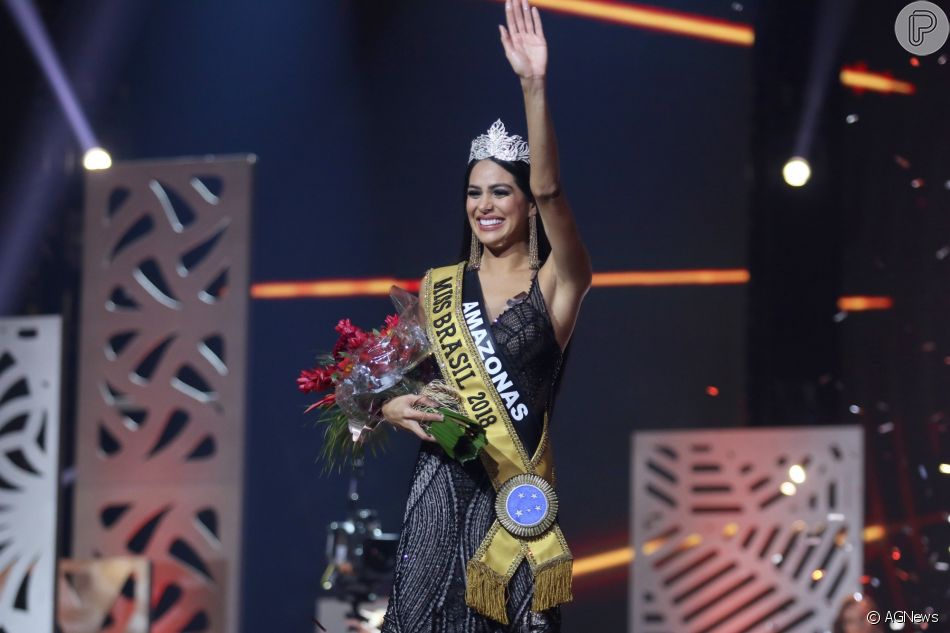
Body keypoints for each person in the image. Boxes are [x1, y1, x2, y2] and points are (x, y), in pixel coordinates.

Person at [380, 1, 592, 631]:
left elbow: (554, 191)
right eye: (474, 192)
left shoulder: (561, 281)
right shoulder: (441, 290)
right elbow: (383, 384)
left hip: (514, 500)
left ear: (527, 203)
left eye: (501, 190)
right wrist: (389, 408)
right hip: (438, 495)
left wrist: (534, 85)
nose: (485, 204)